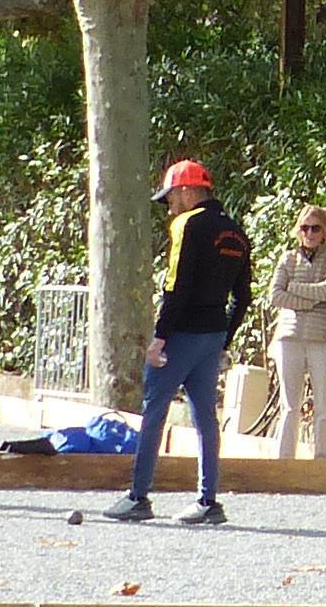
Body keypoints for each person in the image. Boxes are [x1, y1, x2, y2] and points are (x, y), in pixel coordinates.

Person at [106, 161, 252, 526]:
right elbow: (243, 296)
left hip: (182, 334)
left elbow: (177, 284)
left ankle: (138, 496)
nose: (169, 206)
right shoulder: (235, 232)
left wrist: (160, 337)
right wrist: (224, 338)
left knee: (154, 412)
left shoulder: (187, 225)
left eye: (170, 197)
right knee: (206, 419)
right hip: (212, 336)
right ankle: (208, 500)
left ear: (187, 191)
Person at [263, 203, 326, 461]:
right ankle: (284, 460)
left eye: (315, 228)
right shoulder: (287, 258)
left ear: (325, 232)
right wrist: (311, 301)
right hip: (289, 337)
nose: (310, 233)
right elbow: (275, 295)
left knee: (324, 405)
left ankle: (325, 461)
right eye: (305, 228)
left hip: (323, 338)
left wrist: (294, 287)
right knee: (289, 405)